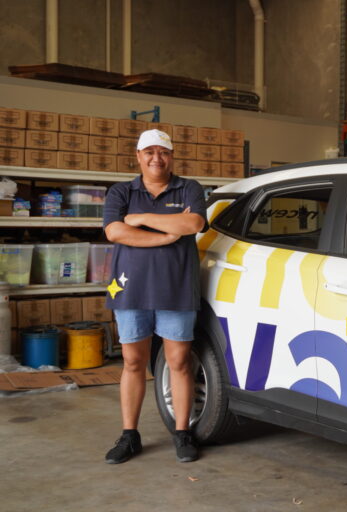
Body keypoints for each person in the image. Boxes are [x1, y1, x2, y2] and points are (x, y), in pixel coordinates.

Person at [102, 129, 208, 464]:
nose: (156, 158)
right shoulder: (121, 191)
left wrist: (144, 219)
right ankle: (129, 435)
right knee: (133, 362)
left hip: (176, 286)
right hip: (129, 287)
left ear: (172, 155)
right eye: (149, 152)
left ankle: (182, 432)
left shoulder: (188, 187)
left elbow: (193, 223)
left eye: (163, 152)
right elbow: (115, 231)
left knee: (178, 361)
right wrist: (164, 237)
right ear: (138, 156)